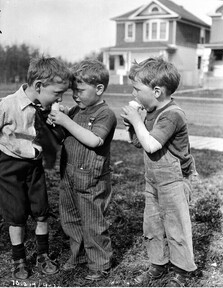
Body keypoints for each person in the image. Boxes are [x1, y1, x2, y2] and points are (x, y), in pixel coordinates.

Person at [121, 57, 198, 287]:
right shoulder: (151, 110)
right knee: (152, 224)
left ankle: (182, 271)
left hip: (174, 180)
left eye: (137, 89)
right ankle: (158, 264)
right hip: (153, 179)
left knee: (176, 226)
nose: (134, 94)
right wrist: (133, 125)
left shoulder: (173, 114)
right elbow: (140, 143)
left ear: (156, 91)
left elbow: (153, 145)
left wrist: (137, 121)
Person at [0, 56, 71, 280]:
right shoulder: (7, 105)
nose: (59, 98)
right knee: (16, 215)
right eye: (57, 93)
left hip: (34, 166)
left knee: (41, 212)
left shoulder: (46, 107)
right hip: (9, 167)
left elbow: (55, 133)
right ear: (39, 86)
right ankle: (18, 258)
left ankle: (43, 254)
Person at [48, 59, 117, 281]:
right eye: (73, 91)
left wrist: (67, 121)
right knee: (70, 218)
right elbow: (66, 135)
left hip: (92, 179)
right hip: (69, 174)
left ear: (99, 89)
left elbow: (95, 140)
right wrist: (57, 122)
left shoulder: (106, 114)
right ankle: (78, 255)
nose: (75, 96)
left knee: (93, 222)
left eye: (80, 91)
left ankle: (100, 263)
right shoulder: (77, 109)